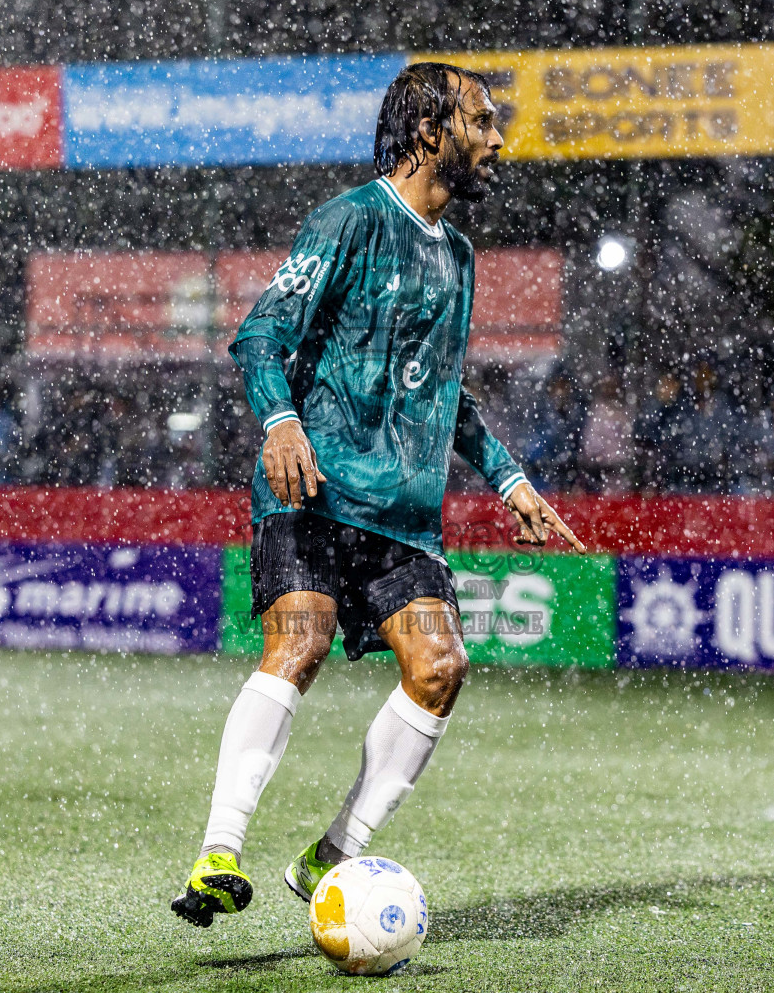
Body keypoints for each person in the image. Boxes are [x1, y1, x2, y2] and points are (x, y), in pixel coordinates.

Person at [171, 62, 584, 928]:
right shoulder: (350, 221)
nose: (499, 139)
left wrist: (510, 478)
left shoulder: (459, 257)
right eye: (483, 120)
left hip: (402, 514)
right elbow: (259, 336)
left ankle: (333, 855)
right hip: (314, 487)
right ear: (431, 129)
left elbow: (444, 392)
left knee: (440, 669)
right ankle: (218, 852)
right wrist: (281, 422)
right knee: (300, 643)